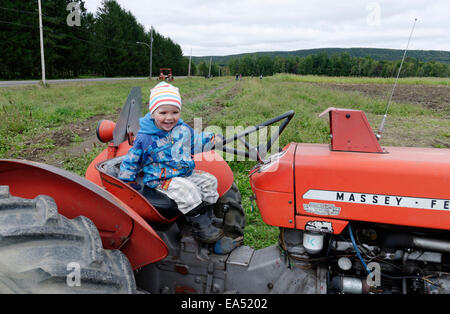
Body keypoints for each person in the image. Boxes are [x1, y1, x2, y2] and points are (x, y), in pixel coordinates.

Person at [118, 81, 223, 244]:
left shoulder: (182, 129)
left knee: (210, 181)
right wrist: (127, 181)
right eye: (163, 112)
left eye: (175, 112)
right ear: (153, 113)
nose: (169, 117)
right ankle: (201, 227)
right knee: (187, 191)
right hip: (161, 178)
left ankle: (207, 218)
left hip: (183, 172)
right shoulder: (145, 137)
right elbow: (132, 160)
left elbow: (195, 141)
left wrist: (211, 138)